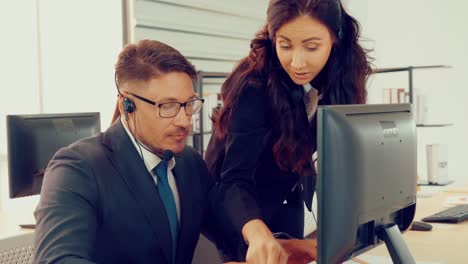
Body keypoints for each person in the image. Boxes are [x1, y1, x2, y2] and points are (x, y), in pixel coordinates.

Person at [205, 0, 372, 263]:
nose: (297, 62)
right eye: (284, 45)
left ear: (335, 37)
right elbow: (233, 179)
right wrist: (258, 233)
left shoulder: (342, 76)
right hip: (236, 215)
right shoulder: (252, 84)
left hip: (283, 200)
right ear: (272, 39)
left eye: (312, 46)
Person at [34, 39, 224, 264]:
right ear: (127, 105)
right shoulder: (77, 168)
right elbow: (57, 260)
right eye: (168, 106)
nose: (185, 121)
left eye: (189, 104)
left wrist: (265, 241)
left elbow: (225, 224)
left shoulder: (190, 162)